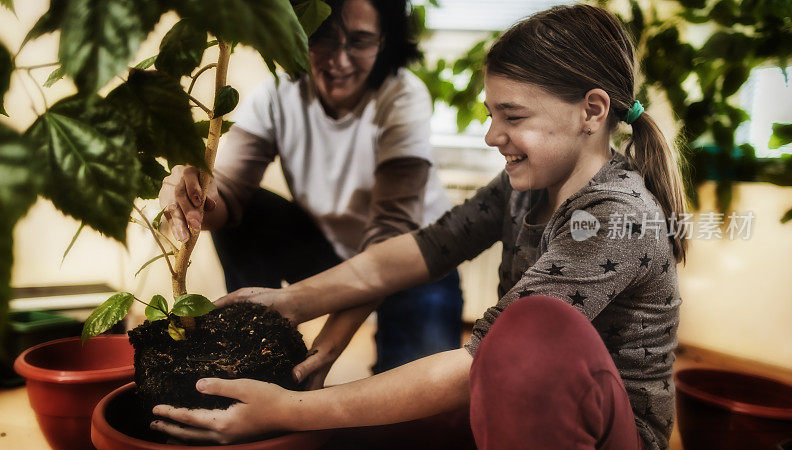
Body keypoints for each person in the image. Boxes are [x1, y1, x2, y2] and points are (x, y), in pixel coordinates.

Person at [152, 4, 686, 449]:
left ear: (591, 111)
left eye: (513, 117)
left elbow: (476, 363)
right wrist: (290, 303)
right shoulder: (526, 189)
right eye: (490, 114)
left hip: (612, 435)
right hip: (522, 401)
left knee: (519, 337)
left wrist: (293, 410)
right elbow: (424, 248)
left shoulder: (616, 217)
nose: (491, 135)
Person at [159, 0, 464, 383]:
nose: (340, 60)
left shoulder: (402, 96)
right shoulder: (278, 94)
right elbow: (229, 196)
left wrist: (324, 352)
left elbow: (389, 238)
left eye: (360, 41)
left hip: (413, 263)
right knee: (250, 212)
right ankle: (261, 344)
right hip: (331, 250)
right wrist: (195, 192)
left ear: (384, 41)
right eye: (323, 39)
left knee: (417, 400)